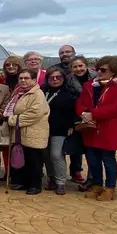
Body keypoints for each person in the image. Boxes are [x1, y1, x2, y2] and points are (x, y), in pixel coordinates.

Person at [75, 56, 117, 201]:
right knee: (93, 159)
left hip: (109, 129)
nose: (99, 72)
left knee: (108, 159)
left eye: (103, 69)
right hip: (91, 129)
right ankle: (97, 185)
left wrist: (92, 114)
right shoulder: (89, 85)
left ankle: (110, 188)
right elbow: (80, 102)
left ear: (113, 71)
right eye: (97, 69)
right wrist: (83, 113)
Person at [6, 68, 50, 195]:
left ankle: (35, 185)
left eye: (26, 78)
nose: (23, 80)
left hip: (33, 132)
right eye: (21, 78)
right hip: (22, 132)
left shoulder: (37, 94)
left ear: (33, 80)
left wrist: (13, 119)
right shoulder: (19, 92)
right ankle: (24, 182)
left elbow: (35, 113)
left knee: (34, 160)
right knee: (23, 158)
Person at [42, 66, 77, 195]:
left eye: (58, 77)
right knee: (45, 155)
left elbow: (74, 111)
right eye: (52, 77)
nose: (55, 80)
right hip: (43, 128)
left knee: (56, 155)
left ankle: (61, 182)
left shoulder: (69, 93)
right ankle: (51, 178)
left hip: (61, 129)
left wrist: (71, 126)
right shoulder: (43, 90)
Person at [67, 55, 94, 183]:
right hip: (76, 117)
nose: (78, 69)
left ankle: (92, 179)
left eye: (81, 66)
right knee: (76, 148)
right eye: (75, 67)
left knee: (92, 150)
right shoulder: (68, 81)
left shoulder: (97, 78)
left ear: (86, 65)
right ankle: (76, 172)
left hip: (95, 117)